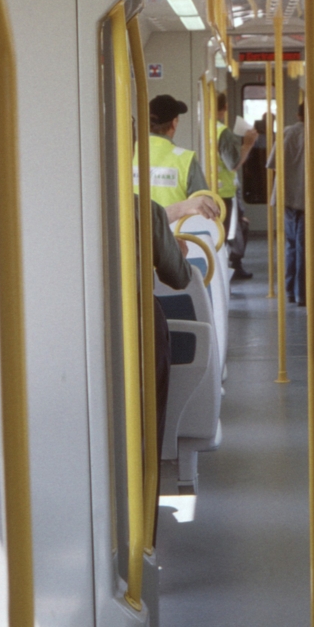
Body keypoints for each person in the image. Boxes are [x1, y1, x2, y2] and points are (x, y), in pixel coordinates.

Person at [137, 197, 194, 541]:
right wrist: (178, 251)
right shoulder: (142, 209)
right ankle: (144, 539)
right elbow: (178, 276)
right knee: (145, 432)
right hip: (139, 326)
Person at [266, 102, 306, 305]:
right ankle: (302, 294)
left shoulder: (286, 133)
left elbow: (271, 163)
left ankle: (289, 291)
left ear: (298, 114)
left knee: (291, 245)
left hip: (286, 196)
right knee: (303, 246)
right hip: (307, 197)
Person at [215, 92, 257, 279]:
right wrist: (248, 144)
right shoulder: (223, 132)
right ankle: (233, 265)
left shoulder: (202, 127)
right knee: (235, 230)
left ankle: (228, 267)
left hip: (211, 190)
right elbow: (233, 164)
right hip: (225, 192)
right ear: (224, 109)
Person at [147, 93, 208, 210]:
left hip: (136, 227)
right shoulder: (186, 160)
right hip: (175, 228)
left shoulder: (128, 153)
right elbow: (205, 206)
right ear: (174, 123)